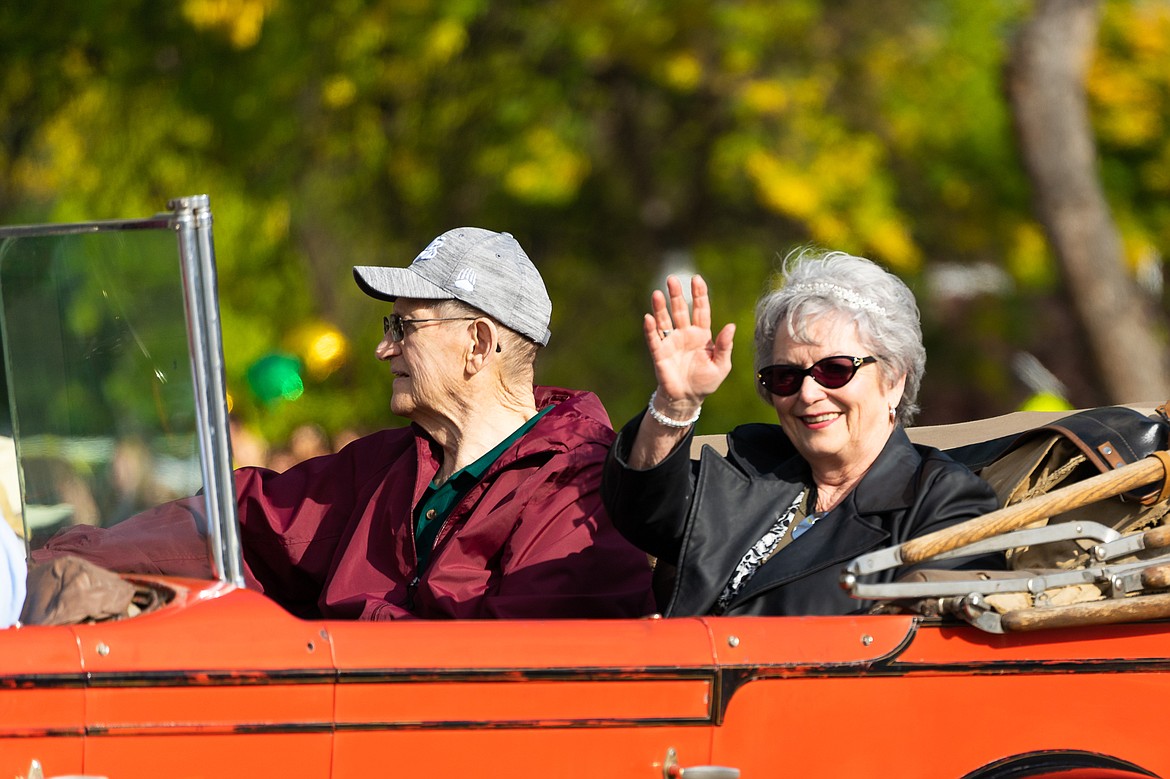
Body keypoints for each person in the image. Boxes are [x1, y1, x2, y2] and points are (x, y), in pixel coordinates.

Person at [33, 227, 654, 621]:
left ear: (478, 343)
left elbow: (497, 684)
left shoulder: (582, 493)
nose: (384, 350)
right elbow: (237, 525)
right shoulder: (387, 466)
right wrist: (41, 563)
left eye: (403, 328)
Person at [602, 249, 1002, 617]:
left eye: (835, 370)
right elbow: (644, 511)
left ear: (894, 379)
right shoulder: (756, 469)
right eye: (786, 376)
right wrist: (676, 403)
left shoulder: (944, 501)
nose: (809, 394)